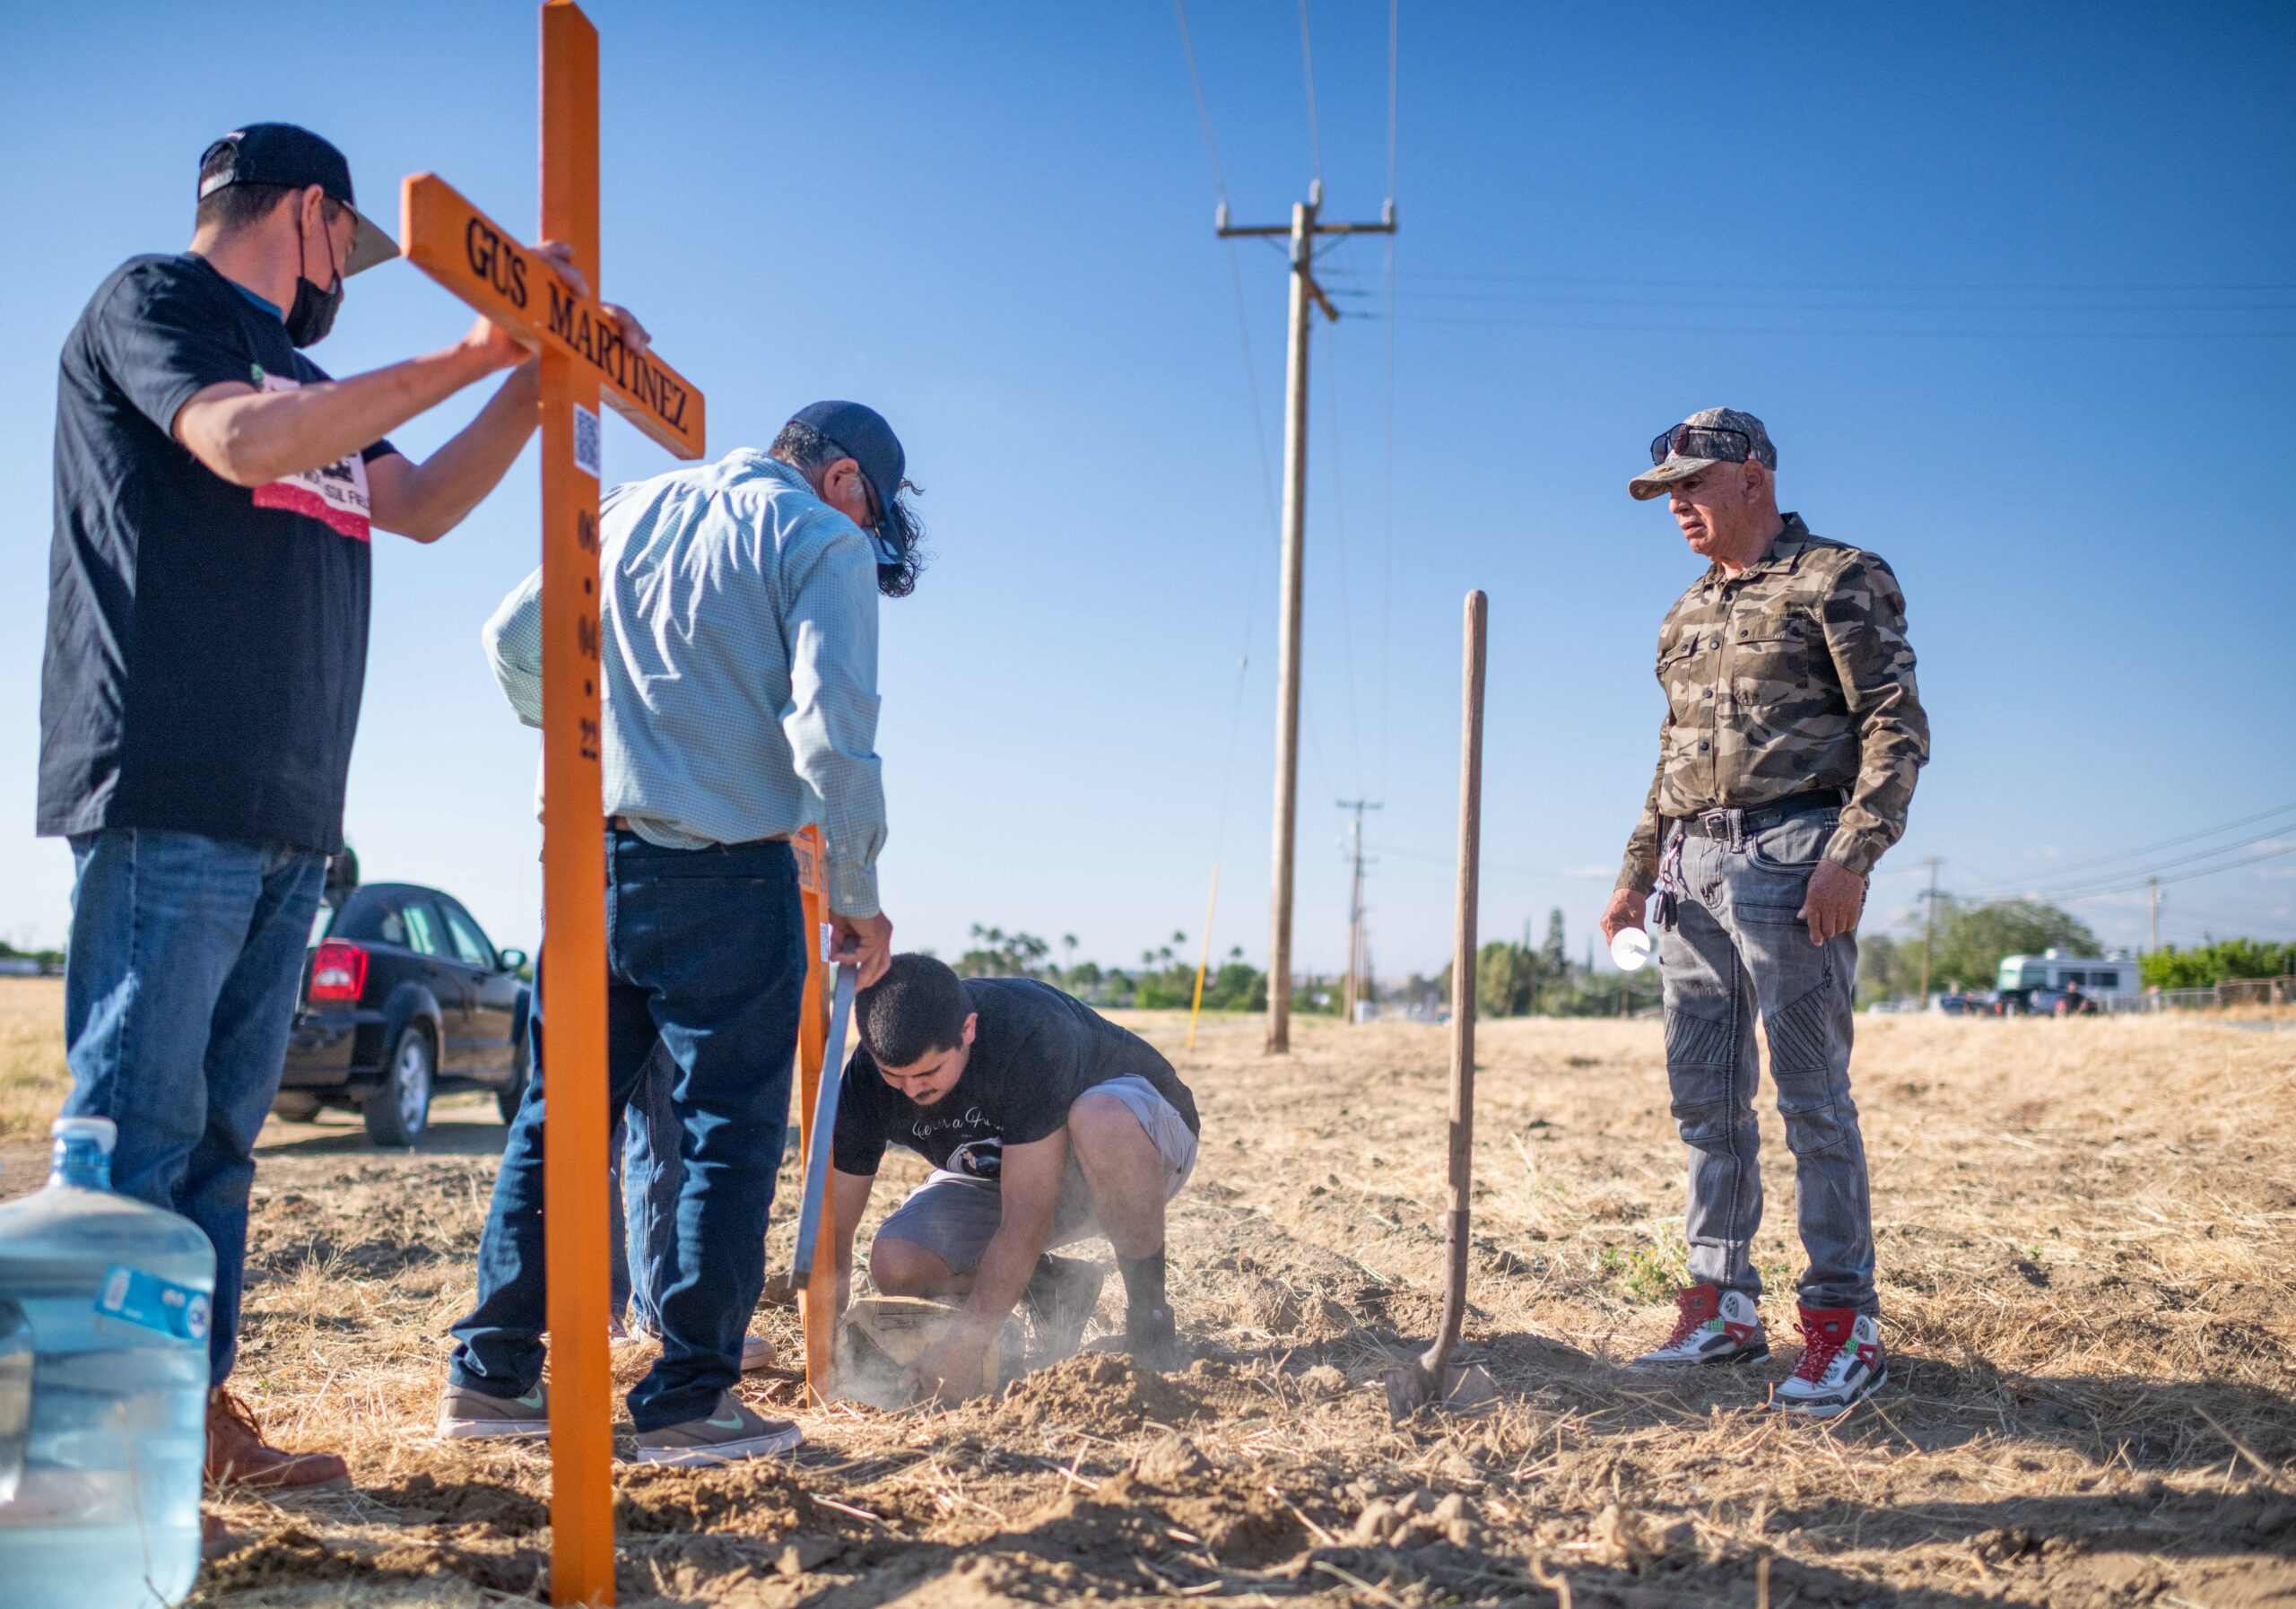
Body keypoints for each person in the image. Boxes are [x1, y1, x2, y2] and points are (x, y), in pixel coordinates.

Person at [37, 122, 638, 1489]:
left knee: (224, 1140)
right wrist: (473, 352)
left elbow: (418, 504)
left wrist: (540, 383)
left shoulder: (314, 374)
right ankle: (92, 1452)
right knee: (136, 1122)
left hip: (293, 808)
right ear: (306, 213)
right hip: (168, 783)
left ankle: (191, 1414)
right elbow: (240, 442)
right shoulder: (155, 304)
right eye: (344, 253)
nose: (342, 286)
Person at [440, 403, 918, 1465]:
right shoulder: (820, 541)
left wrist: (592, 731)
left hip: (580, 864)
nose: (868, 529)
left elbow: (510, 641)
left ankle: (490, 1376)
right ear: (844, 478)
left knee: (557, 1120)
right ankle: (689, 1397)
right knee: (725, 1134)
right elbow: (835, 733)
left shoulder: (628, 506)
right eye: (873, 509)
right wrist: (854, 888)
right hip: (723, 871)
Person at [1599, 409, 1927, 1417]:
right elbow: (1670, 758)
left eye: (1693, 484)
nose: (1679, 506)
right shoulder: (1683, 613)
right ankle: (1721, 1307)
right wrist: (1633, 870)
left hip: (1795, 859)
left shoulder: (1837, 577)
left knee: (1810, 1099)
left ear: (1753, 476)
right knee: (1706, 1100)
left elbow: (1894, 727)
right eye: (1667, 493)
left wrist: (1849, 855)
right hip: (1691, 866)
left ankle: (1841, 1323)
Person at [830, 954, 1201, 1400]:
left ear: (967, 1030)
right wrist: (823, 1348)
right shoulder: (865, 1081)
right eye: (896, 1076)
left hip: (1133, 1144)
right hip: (1003, 1168)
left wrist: (964, 1346)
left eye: (929, 1072)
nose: (914, 1090)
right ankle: (1052, 1285)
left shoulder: (1027, 1034)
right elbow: (832, 1231)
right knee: (901, 1264)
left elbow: (1026, 1215)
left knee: (1100, 1119)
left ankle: (1151, 1320)